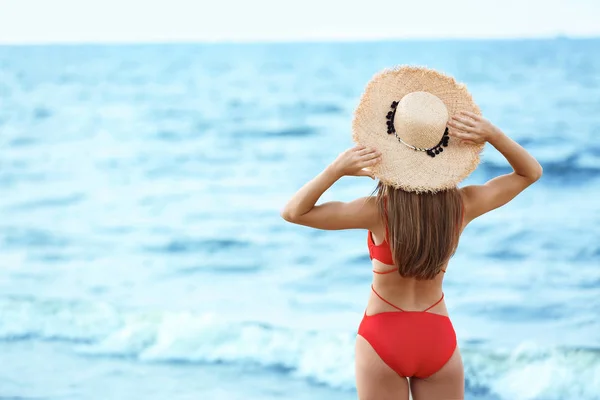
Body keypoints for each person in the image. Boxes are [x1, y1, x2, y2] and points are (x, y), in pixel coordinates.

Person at [280, 66, 542, 400]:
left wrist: (336, 170)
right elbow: (529, 172)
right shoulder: (463, 205)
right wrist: (492, 134)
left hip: (382, 338)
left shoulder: (376, 211)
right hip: (437, 339)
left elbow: (294, 212)